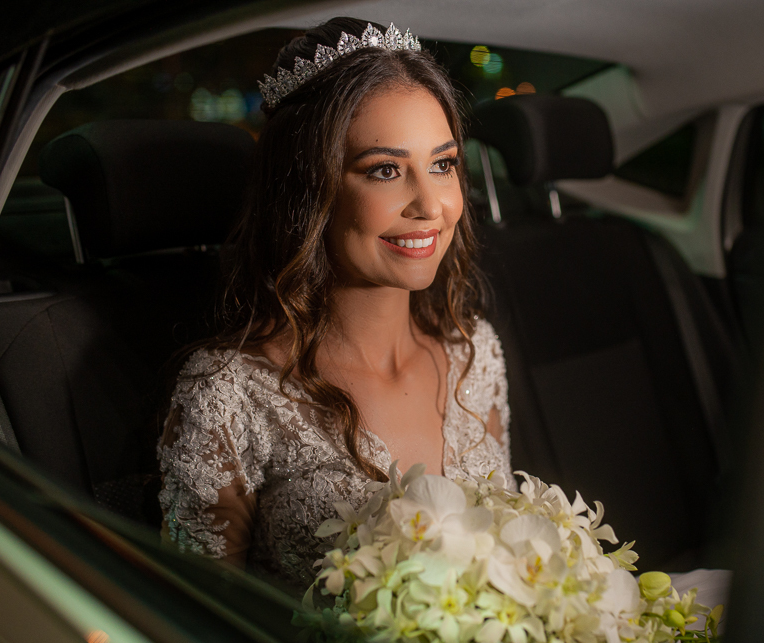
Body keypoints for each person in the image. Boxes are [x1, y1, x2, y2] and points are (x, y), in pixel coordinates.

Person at [157, 17, 513, 591]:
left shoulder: (476, 352)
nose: (430, 204)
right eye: (385, 171)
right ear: (309, 190)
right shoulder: (229, 394)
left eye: (443, 164)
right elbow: (205, 632)